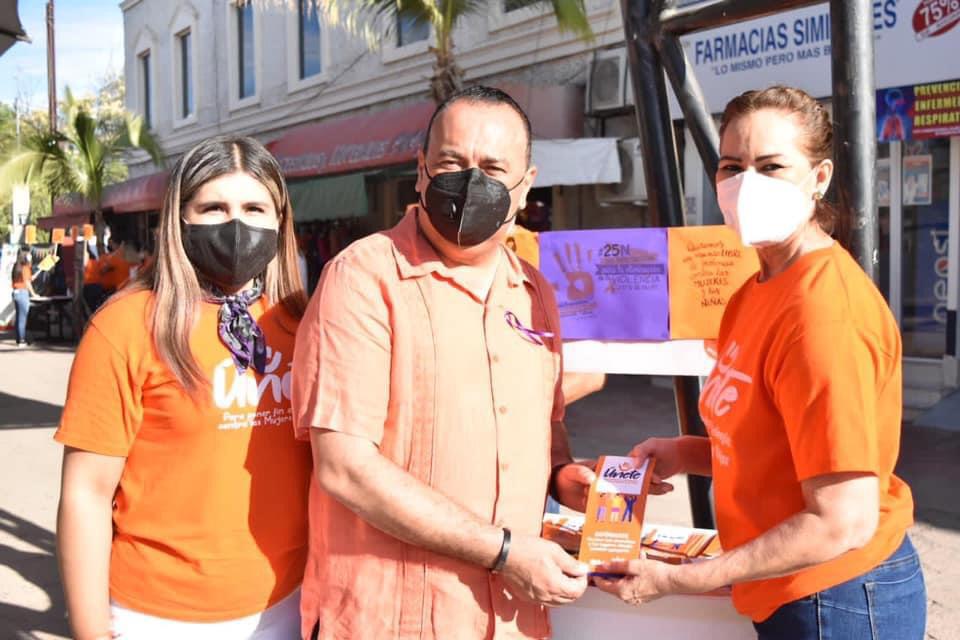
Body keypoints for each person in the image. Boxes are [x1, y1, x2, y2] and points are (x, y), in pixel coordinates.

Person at [594, 86, 925, 640]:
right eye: (732, 166)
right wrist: (684, 453)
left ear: (819, 178)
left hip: (837, 595)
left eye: (771, 166)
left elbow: (842, 520)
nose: (747, 184)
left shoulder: (823, 315)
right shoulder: (757, 291)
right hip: (793, 589)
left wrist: (682, 579)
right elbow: (776, 448)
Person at [291, 86, 596, 640]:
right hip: (391, 622)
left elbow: (545, 424)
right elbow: (344, 466)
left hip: (512, 620)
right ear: (421, 170)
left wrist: (563, 475)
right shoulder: (362, 278)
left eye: (494, 168)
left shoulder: (534, 291)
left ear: (526, 184)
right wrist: (504, 551)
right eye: (452, 163)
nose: (471, 182)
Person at [55, 135, 312, 640]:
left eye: (254, 208)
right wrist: (90, 631)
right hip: (157, 617)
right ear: (180, 219)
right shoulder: (125, 326)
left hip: (290, 606)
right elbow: (86, 494)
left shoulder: (305, 323)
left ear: (280, 221)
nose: (236, 225)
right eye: (213, 208)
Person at [10, 249, 37, 347]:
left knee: (19, 317)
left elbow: (25, 279)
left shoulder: (16, 266)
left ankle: (19, 338)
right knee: (23, 318)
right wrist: (33, 294)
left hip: (16, 292)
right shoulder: (25, 267)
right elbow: (27, 283)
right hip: (22, 293)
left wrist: (32, 277)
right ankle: (22, 340)